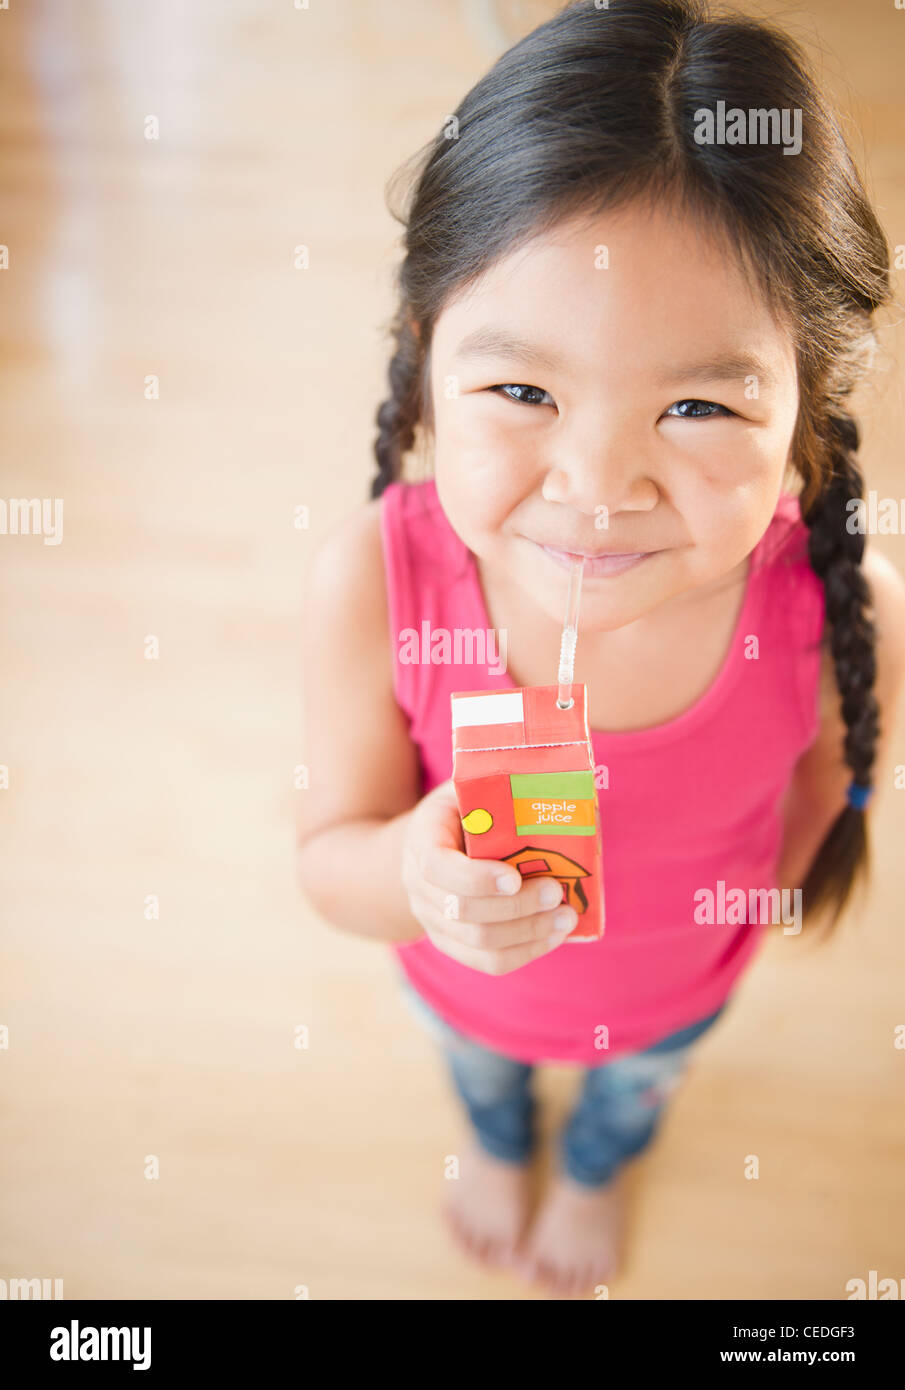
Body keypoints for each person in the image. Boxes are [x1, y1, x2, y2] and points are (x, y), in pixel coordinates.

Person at [297, 0, 905, 1297]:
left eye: (695, 403)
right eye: (523, 391)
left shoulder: (840, 606)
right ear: (421, 363)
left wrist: (732, 915)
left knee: (634, 1095)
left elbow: (815, 795)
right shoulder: (373, 578)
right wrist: (414, 868)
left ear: (808, 408)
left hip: (675, 997)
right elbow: (326, 861)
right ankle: (501, 1140)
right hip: (464, 999)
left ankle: (596, 1164)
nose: (595, 485)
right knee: (480, 1083)